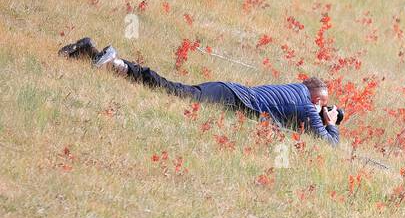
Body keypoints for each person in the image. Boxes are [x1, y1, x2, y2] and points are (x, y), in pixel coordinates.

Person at [59, 38, 343, 144]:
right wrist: (331, 124)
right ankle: (117, 63)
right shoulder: (306, 106)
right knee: (175, 92)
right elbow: (327, 145)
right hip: (231, 97)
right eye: (323, 104)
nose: (322, 108)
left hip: (230, 93)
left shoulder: (296, 92)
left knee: (177, 92)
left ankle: (90, 53)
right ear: (317, 99)